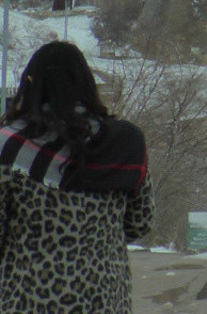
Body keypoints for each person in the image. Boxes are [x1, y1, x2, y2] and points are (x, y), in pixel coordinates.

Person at [0, 41, 153, 314]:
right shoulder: (126, 142)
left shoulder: (9, 146)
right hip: (105, 298)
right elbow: (140, 222)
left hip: (31, 298)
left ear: (32, 85)